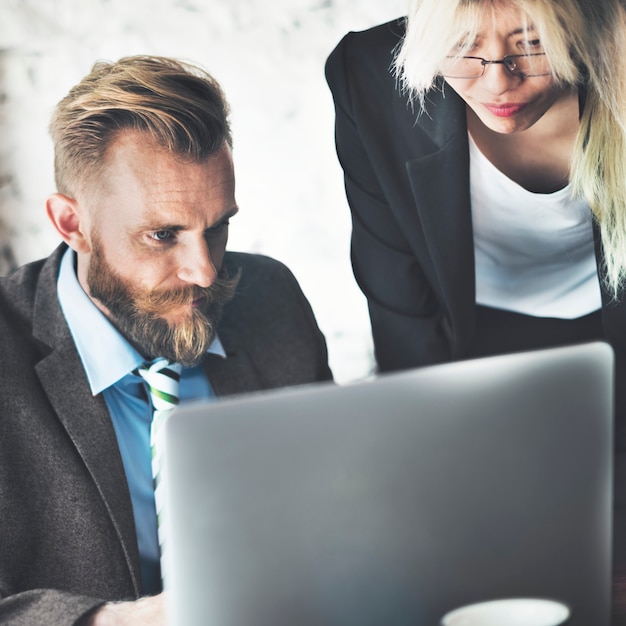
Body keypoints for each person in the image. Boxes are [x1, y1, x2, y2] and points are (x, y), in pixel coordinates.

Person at [0, 55, 332, 625]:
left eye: (218, 226)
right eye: (162, 235)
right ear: (71, 224)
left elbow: (339, 500)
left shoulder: (269, 297)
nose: (204, 271)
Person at [325, 0, 626, 621]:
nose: (497, 80)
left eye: (533, 43)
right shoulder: (369, 77)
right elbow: (400, 307)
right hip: (470, 344)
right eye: (462, 46)